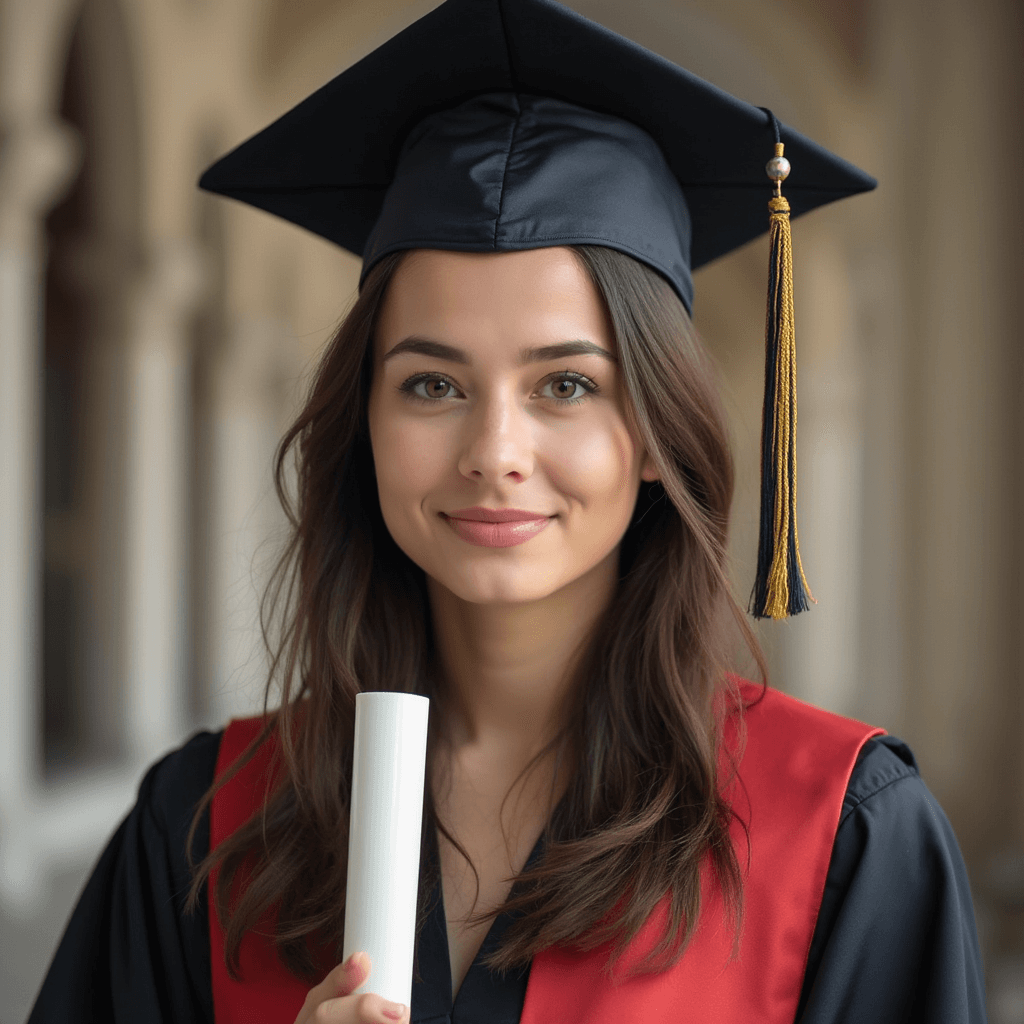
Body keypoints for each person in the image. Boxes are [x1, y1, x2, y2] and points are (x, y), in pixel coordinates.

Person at [29, 0, 986, 1022]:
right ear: (362, 424)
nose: (494, 454)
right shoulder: (206, 827)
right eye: (431, 385)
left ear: (659, 434)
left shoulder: (838, 836)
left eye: (566, 385)